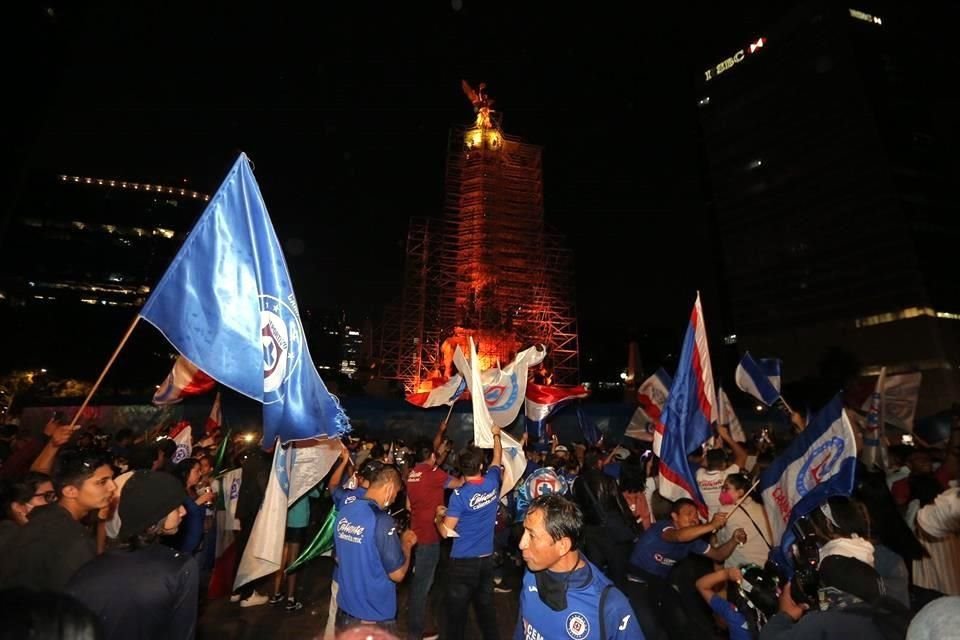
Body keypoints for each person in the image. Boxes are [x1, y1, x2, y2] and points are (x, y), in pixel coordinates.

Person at [65, 471, 197, 640]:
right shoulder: (180, 567)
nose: (183, 512)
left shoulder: (88, 569)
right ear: (155, 514)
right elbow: (182, 633)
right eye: (176, 506)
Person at [516, 494, 644, 639]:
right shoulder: (532, 572)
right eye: (524, 531)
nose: (522, 544)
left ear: (563, 546)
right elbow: (523, 628)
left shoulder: (610, 606)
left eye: (532, 536)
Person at [0, 448, 116, 591]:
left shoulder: (44, 515)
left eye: (111, 479)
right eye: (102, 482)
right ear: (70, 491)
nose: (113, 487)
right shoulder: (74, 541)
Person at [436, 426, 505, 640]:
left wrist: (438, 517)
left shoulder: (459, 495)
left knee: (456, 616)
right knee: (486, 612)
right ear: (481, 466)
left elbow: (446, 531)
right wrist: (495, 434)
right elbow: (498, 457)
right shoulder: (493, 481)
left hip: (463, 563)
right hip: (486, 561)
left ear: (460, 468)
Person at [334, 464, 416, 632]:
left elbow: (337, 556)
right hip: (373, 619)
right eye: (395, 494)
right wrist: (406, 545)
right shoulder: (382, 520)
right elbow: (397, 574)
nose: (394, 500)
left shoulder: (345, 510)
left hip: (345, 613)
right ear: (389, 488)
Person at [405, 434, 463, 640]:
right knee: (422, 586)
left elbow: (408, 506)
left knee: (419, 582)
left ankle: (418, 625)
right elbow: (457, 483)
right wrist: (469, 473)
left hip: (415, 534)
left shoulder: (413, 473)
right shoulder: (433, 473)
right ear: (430, 455)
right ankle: (415, 632)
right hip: (429, 536)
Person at [716, 473, 772, 569]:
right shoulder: (762, 508)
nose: (722, 491)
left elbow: (721, 543)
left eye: (726, 488)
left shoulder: (725, 511)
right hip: (767, 563)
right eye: (722, 488)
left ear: (740, 492)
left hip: (742, 568)